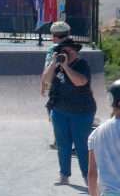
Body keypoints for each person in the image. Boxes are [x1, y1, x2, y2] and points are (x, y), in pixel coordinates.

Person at [40, 37, 97, 185]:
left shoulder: (82, 64)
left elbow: (80, 82)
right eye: (62, 51)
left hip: (82, 112)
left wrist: (65, 66)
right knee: (62, 143)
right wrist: (54, 63)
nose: (64, 54)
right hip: (60, 111)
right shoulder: (57, 65)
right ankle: (64, 175)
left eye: (67, 51)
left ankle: (87, 177)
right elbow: (45, 80)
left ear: (74, 51)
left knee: (82, 145)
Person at [42, 20, 72, 149]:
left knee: (54, 111)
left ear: (54, 36)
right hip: (73, 86)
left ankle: (59, 140)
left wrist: (43, 84)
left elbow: (48, 69)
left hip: (57, 87)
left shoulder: (52, 50)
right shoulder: (75, 48)